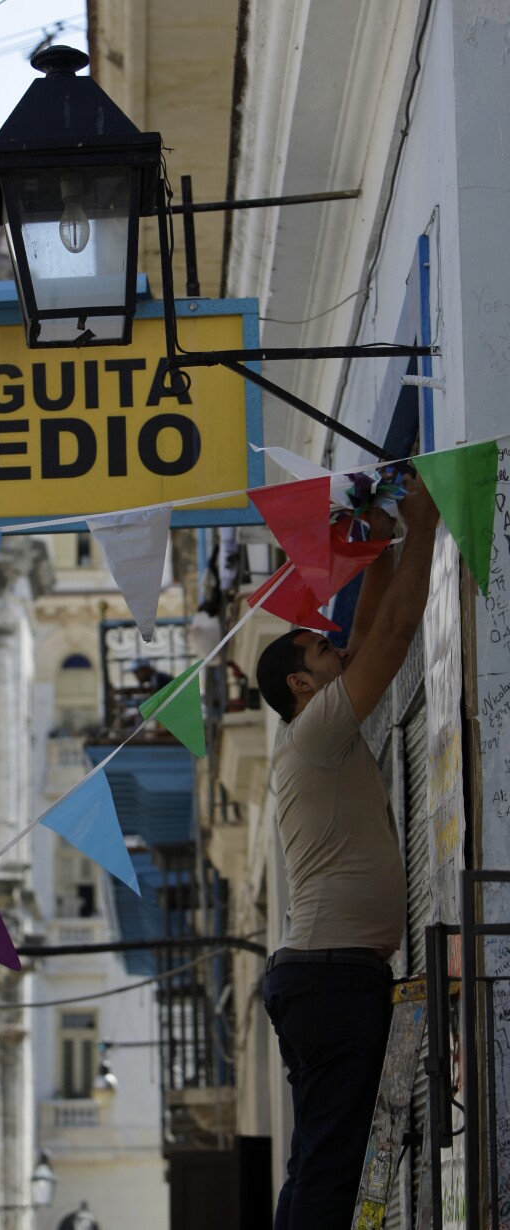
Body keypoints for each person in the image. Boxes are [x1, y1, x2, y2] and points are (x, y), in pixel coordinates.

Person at [255, 472, 440, 1230]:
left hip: (327, 977)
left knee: (325, 1159)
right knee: (333, 1163)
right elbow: (392, 640)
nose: (332, 641)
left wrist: (379, 542)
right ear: (302, 683)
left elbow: (365, 637)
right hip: (333, 981)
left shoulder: (315, 730)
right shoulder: (317, 732)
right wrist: (423, 526)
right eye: (316, 646)